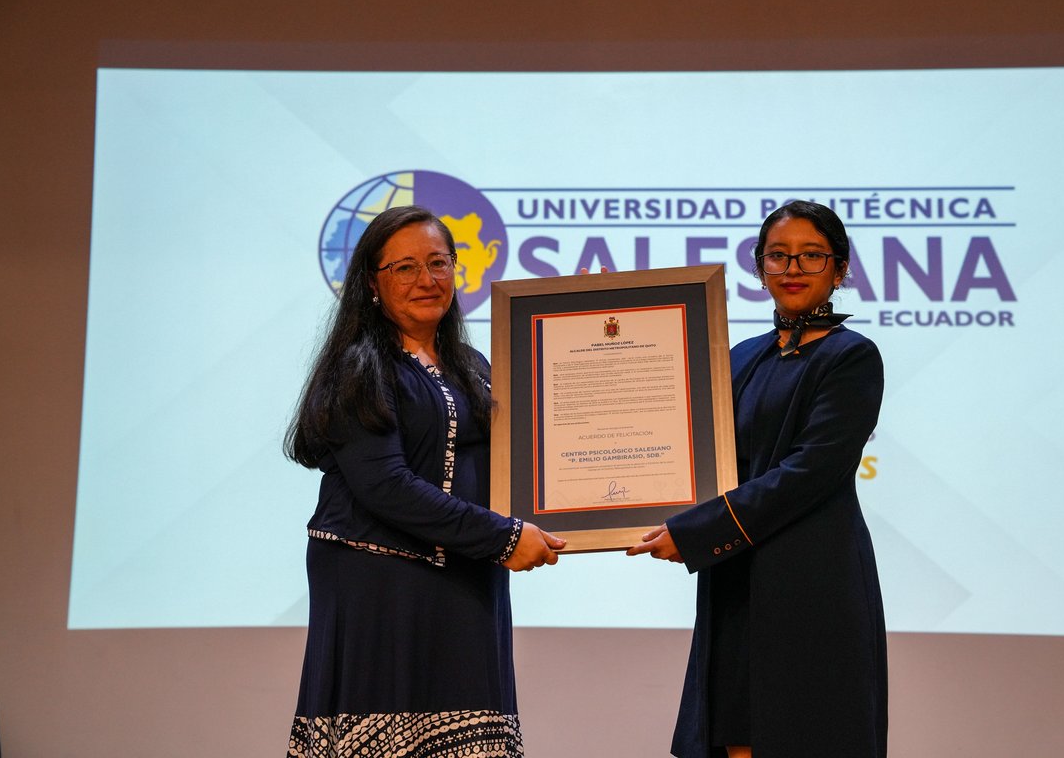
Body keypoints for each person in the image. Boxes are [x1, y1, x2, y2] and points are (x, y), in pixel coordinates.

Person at [283, 205, 565, 758]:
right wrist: (504, 537)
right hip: (382, 586)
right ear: (372, 282)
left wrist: (583, 321)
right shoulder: (358, 368)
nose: (427, 279)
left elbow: (523, 458)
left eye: (439, 263)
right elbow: (386, 485)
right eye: (405, 267)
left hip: (466, 581)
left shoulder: (473, 365)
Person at [628, 201, 887, 757]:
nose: (792, 268)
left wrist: (698, 531)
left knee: (806, 735)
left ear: (840, 269)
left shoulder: (852, 357)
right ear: (760, 267)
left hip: (811, 578)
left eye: (811, 255)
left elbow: (810, 471)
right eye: (778, 255)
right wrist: (602, 320)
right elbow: (672, 431)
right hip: (737, 576)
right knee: (736, 736)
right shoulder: (741, 357)